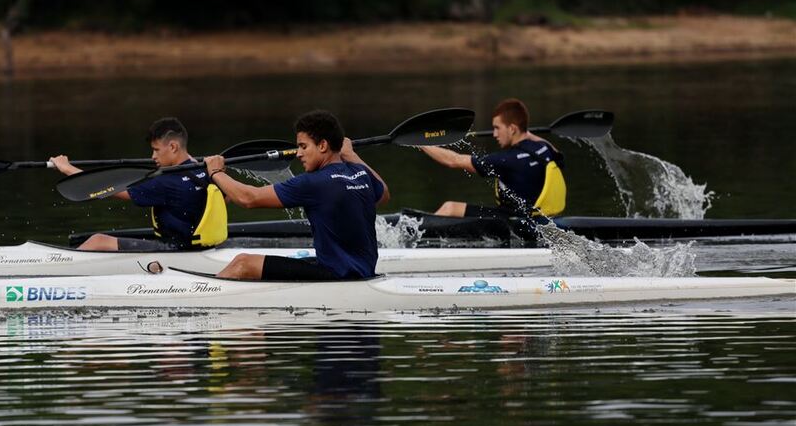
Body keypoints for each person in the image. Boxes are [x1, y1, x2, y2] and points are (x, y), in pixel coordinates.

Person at [203, 110, 389, 280]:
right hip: (363, 271)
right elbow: (383, 194)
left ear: (323, 145)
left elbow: (248, 198)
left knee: (243, 263)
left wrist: (216, 172)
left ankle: (201, 297)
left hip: (334, 275)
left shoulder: (313, 182)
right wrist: (350, 155)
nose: (298, 154)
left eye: (303, 146)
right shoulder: (361, 173)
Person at [50, 117, 226, 251]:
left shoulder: (165, 183)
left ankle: (54, 279)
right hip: (200, 244)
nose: (153, 157)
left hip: (175, 251)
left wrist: (67, 169)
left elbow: (107, 189)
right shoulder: (208, 170)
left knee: (98, 241)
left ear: (173, 147)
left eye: (156, 150)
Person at [419, 98, 566, 218]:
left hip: (511, 223)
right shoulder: (544, 148)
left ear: (512, 128)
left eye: (497, 128)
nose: (495, 134)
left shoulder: (505, 160)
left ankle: (417, 246)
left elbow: (453, 160)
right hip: (537, 218)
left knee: (449, 208)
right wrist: (524, 133)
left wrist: (421, 142)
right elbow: (556, 153)